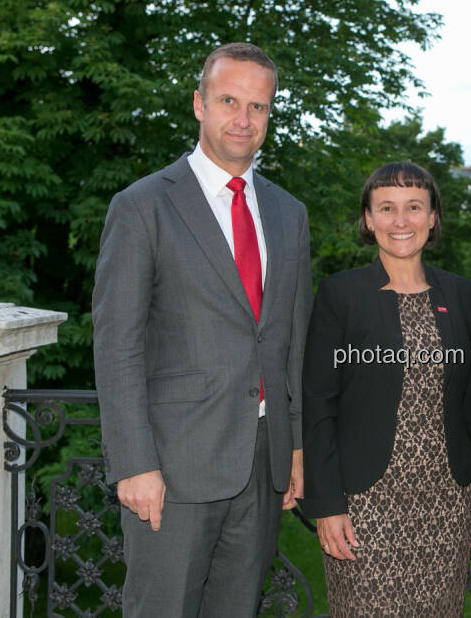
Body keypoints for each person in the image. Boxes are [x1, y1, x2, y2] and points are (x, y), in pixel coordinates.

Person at [92, 42, 313, 617]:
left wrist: (294, 447)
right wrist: (134, 463)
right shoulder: (143, 206)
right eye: (229, 101)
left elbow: (290, 340)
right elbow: (118, 345)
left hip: (262, 463)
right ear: (199, 104)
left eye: (258, 106)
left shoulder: (288, 213)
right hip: (172, 467)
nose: (243, 119)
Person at [300, 162, 471, 617]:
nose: (401, 221)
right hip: (365, 505)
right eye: (386, 208)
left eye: (413, 208)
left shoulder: (462, 295)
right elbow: (318, 404)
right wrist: (325, 504)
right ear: (368, 218)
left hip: (446, 504)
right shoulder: (341, 294)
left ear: (432, 217)